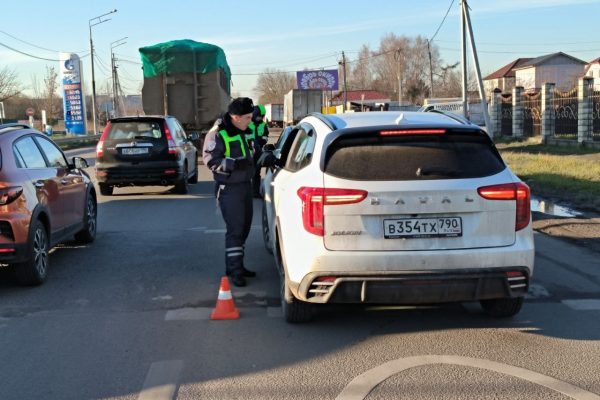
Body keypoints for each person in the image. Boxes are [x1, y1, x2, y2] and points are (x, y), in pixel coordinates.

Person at [203, 97, 257, 287]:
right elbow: (211, 161)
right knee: (235, 230)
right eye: (248, 117)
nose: (251, 121)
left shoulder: (243, 129)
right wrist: (234, 164)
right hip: (229, 189)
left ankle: (238, 266)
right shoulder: (218, 134)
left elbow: (250, 152)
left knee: (244, 229)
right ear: (235, 117)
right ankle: (234, 271)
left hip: (245, 186)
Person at [246, 104, 269, 198]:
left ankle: (255, 193)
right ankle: (246, 193)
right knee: (246, 174)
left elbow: (266, 136)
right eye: (259, 116)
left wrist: (261, 141)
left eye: (262, 116)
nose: (261, 118)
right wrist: (251, 141)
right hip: (247, 151)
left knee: (256, 173)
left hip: (258, 151)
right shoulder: (247, 123)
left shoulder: (263, 125)